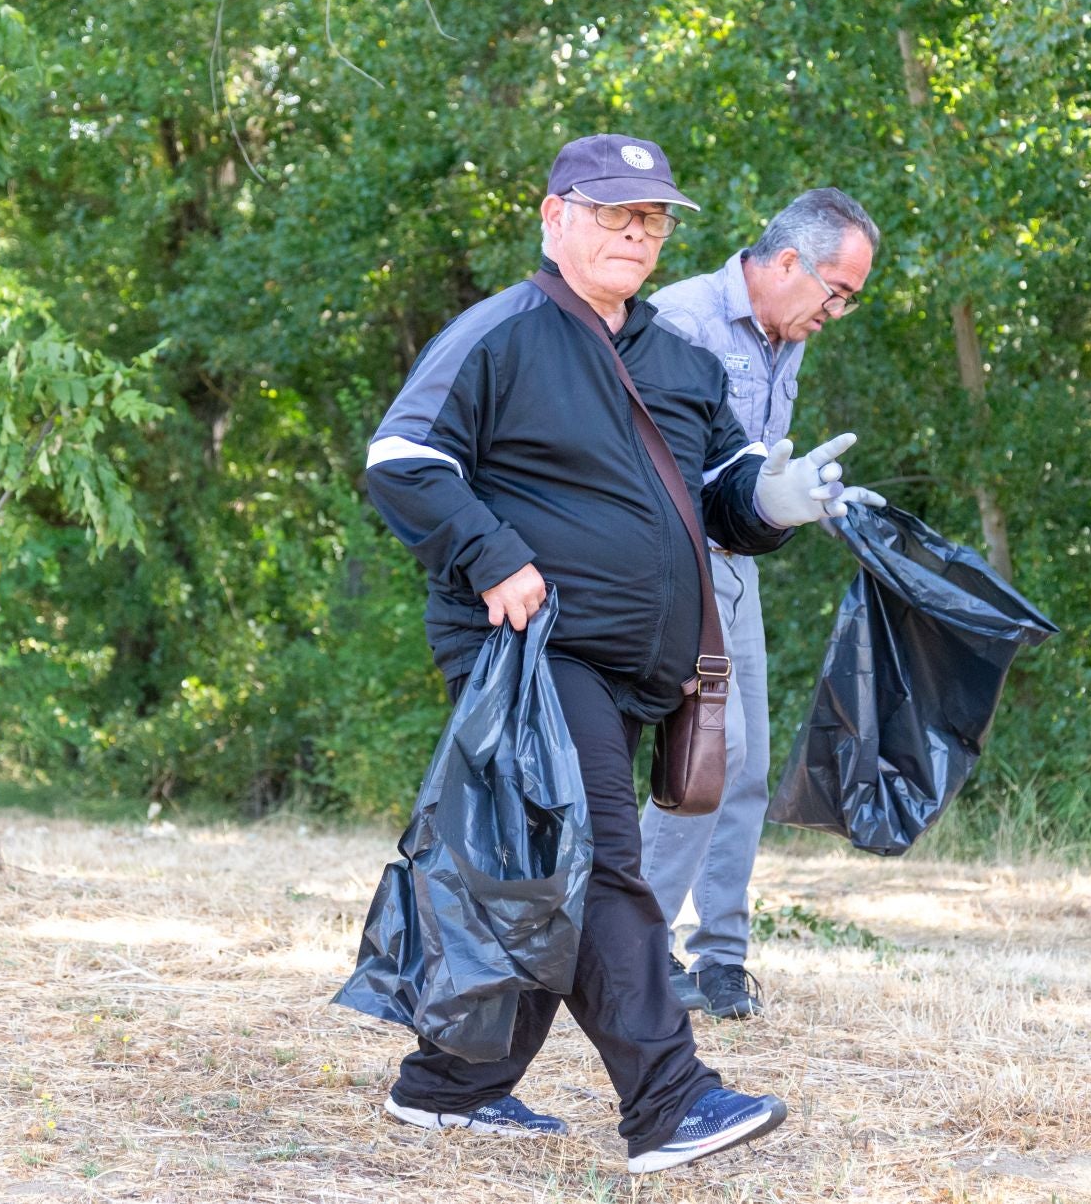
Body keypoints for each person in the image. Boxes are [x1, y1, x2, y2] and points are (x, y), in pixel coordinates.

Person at [362, 135, 879, 1173]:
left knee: (551, 871)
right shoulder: (500, 333)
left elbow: (727, 489)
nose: (633, 234)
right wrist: (494, 554)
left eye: (649, 220)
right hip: (535, 652)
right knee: (600, 857)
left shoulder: (675, 362)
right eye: (612, 213)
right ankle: (669, 1099)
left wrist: (774, 503)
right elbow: (401, 461)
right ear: (554, 216)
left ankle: (449, 1085)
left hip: (636, 664)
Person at [639, 189, 883, 1022]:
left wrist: (794, 498)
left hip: (733, 565)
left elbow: (751, 473)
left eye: (850, 298)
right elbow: (652, 473)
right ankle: (631, 948)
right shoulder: (681, 321)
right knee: (709, 757)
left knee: (745, 765)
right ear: (788, 263)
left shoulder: (786, 334)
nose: (838, 312)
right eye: (837, 292)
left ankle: (720, 961)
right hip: (673, 565)